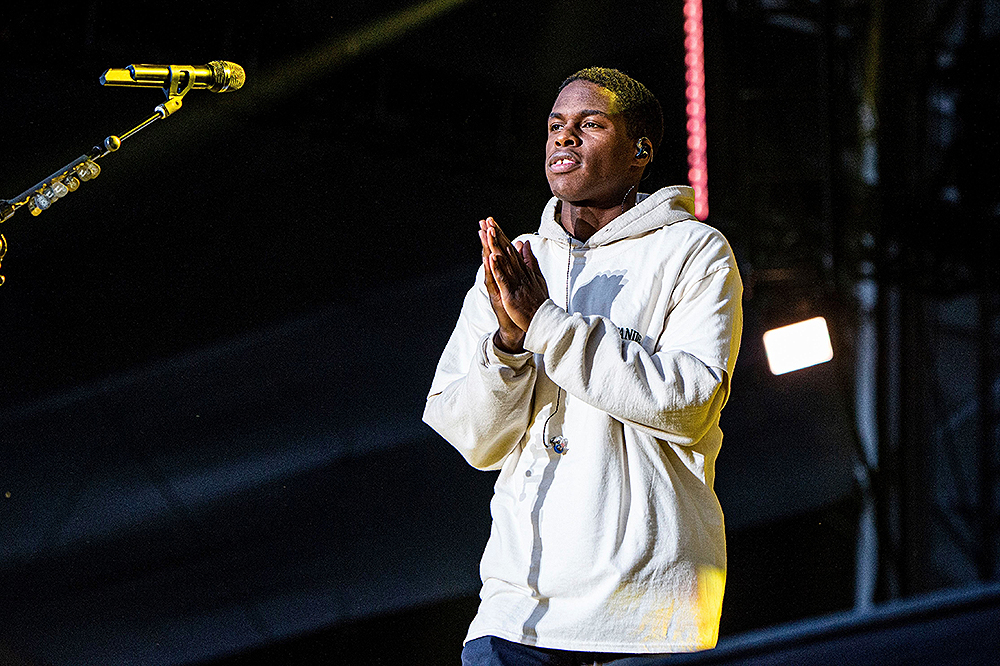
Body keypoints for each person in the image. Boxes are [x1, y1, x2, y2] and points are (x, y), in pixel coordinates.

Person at [423, 67, 743, 665]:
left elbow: (691, 402)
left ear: (640, 150)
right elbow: (471, 437)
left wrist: (545, 325)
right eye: (555, 126)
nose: (564, 139)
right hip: (517, 611)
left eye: (589, 125)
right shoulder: (516, 262)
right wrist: (510, 347)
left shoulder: (693, 251)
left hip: (647, 614)